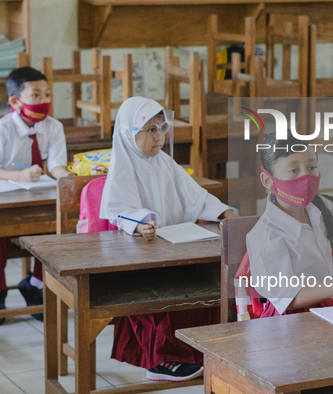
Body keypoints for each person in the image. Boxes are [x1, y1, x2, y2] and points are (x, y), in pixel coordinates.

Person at [99, 97, 234, 381]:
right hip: (141, 253)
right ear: (128, 133)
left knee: (211, 279)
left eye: (162, 127)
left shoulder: (164, 161)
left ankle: (200, 351)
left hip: (175, 245)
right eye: (150, 129)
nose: (159, 136)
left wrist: (223, 212)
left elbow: (197, 197)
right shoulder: (123, 165)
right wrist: (140, 224)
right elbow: (119, 210)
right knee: (163, 291)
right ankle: (163, 360)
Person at [246, 133, 333, 318]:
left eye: (312, 167)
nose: (306, 176)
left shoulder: (320, 206)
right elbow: (289, 299)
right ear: (268, 180)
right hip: (289, 319)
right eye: (293, 170)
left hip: (326, 306)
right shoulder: (266, 236)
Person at [0, 66, 72, 325]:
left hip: (37, 197)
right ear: (14, 101)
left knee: (55, 230)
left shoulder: (53, 127)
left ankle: (34, 284)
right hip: (1, 199)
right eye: (35, 95)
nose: (43, 101)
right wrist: (17, 176)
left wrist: (71, 178)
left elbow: (55, 165)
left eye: (47, 94)